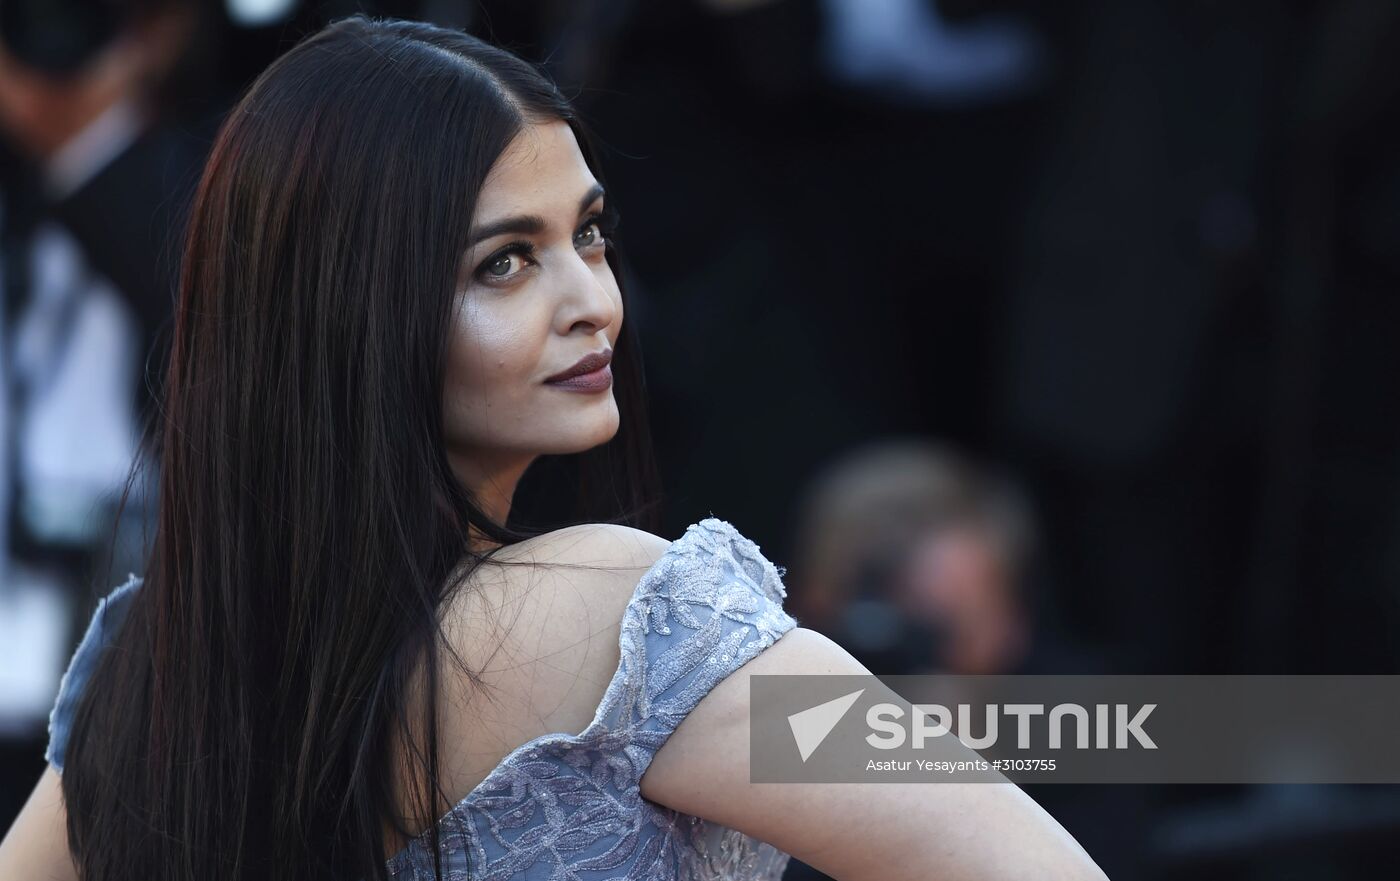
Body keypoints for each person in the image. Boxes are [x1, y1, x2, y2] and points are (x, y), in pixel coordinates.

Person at [0, 15, 1111, 881]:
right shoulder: (628, 619)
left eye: (586, 233)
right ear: (349, 316)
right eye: (503, 262)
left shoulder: (156, 656)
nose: (593, 301)